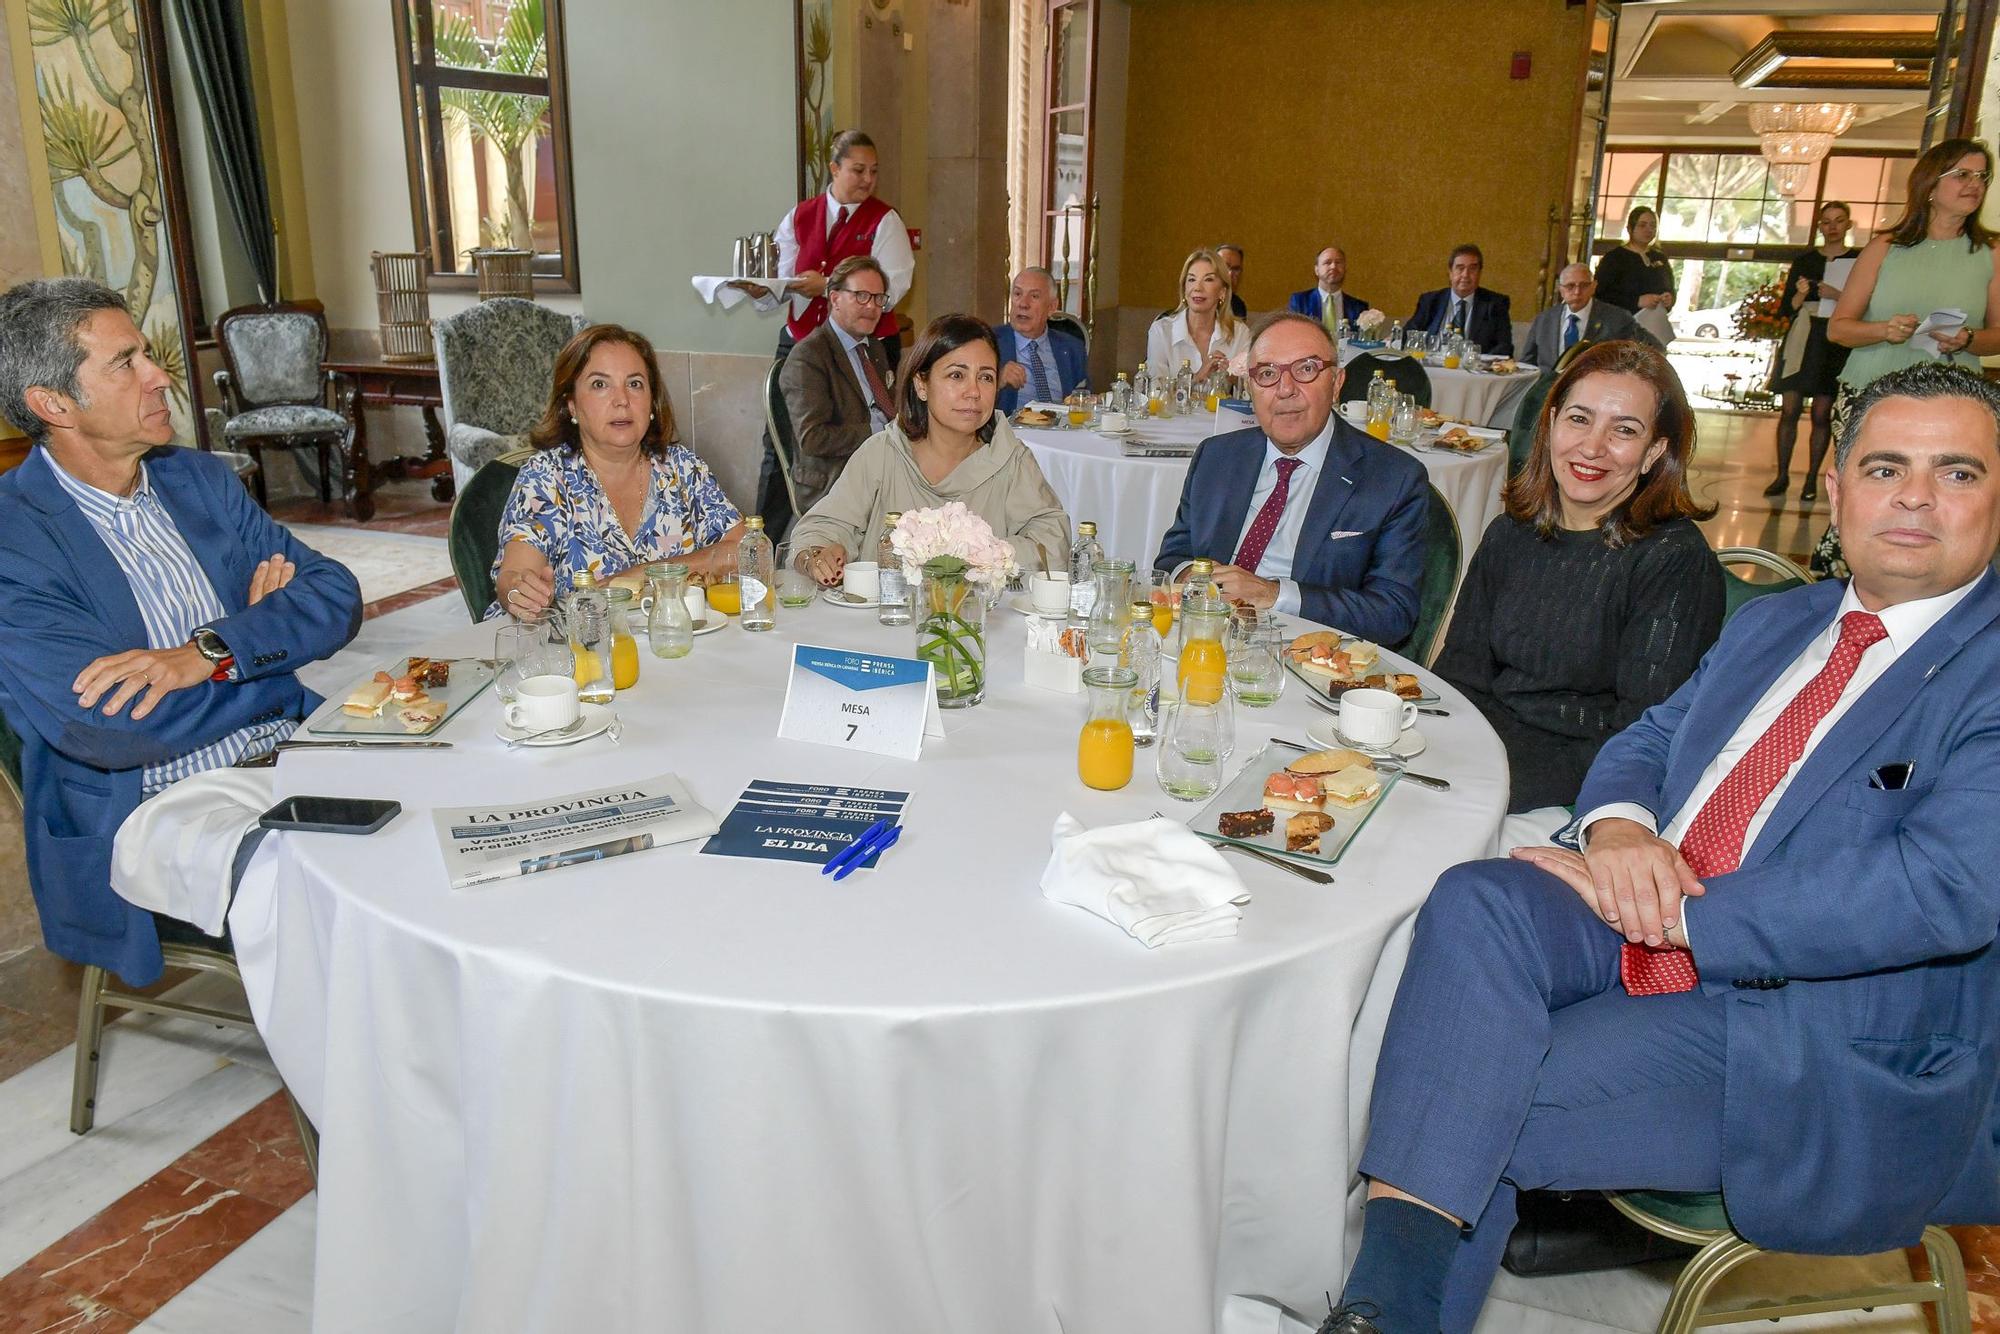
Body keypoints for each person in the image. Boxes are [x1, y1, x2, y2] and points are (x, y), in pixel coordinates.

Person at [1320, 360, 2000, 1334]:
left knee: (1475, 1086)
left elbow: (1941, 888)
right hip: (1648, 908)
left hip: (1815, 1019)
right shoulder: (1781, 619)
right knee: (1476, 898)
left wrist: (1681, 912)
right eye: (1885, 466)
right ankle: (1391, 1307)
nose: (1914, 498)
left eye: (1957, 472)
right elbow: (1646, 738)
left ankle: (1382, 1305)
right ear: (1836, 486)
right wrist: (1621, 829)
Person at [0, 277, 362, 986]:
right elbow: (111, 729)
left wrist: (210, 653)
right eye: (125, 363)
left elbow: (336, 595)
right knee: (350, 895)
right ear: (53, 405)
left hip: (292, 756)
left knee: (453, 818)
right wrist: (262, 660)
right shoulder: (15, 540)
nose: (158, 375)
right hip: (155, 809)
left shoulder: (197, 480)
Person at [1434, 340, 1721, 815]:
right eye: (1579, 418)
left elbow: (1643, 736)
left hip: (1580, 795)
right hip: (1476, 763)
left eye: (1624, 430)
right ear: (1550, 425)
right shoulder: (1511, 532)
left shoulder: (1673, 560)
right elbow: (1462, 675)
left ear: (1654, 452)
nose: (1592, 447)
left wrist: (1487, 787)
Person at [1154, 313, 1428, 644]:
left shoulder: (1392, 478)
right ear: (1250, 388)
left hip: (1307, 656)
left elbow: (1392, 613)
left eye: (1305, 369)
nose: (1285, 390)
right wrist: (1192, 579)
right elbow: (1172, 558)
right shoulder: (1216, 457)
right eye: (1267, 374)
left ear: (1337, 382)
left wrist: (1274, 595)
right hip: (1203, 642)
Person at [1814, 133, 2000, 564]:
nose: (1974, 183)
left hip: (1953, 398)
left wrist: (1968, 339)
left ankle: (1934, 575)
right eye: (1962, 175)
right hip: (1869, 386)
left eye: (1982, 176)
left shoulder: (1989, 251)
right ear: (1931, 186)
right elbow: (1839, 329)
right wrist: (1885, 330)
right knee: (1867, 491)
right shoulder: (1886, 246)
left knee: (1939, 493)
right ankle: (1844, 572)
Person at [789, 314, 1071, 585]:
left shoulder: (1009, 459)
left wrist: (980, 557)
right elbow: (823, 527)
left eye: (985, 377)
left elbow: (1051, 540)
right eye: (957, 375)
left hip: (977, 624)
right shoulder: (884, 453)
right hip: (887, 622)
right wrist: (819, 555)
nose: (973, 391)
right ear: (921, 384)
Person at [491, 324, 743, 620]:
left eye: (635, 384)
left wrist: (641, 575)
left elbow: (746, 550)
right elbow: (516, 575)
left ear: (652, 401)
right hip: (568, 652)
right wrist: (521, 591)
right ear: (571, 404)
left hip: (670, 645)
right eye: (600, 385)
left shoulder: (682, 468)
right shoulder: (546, 478)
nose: (622, 400)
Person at [771, 129, 914, 366]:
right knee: (785, 400)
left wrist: (827, 286)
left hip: (866, 347)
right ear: (834, 169)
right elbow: (782, 278)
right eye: (859, 170)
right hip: (802, 342)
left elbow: (891, 290)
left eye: (874, 171)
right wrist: (764, 291)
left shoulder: (885, 220)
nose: (868, 179)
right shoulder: (799, 216)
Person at [781, 256, 899, 513]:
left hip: (881, 468)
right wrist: (877, 430)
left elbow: (891, 408)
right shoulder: (809, 355)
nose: (872, 307)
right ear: (834, 299)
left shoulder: (875, 348)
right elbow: (813, 438)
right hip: (834, 481)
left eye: (879, 298)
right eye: (861, 296)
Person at [1765, 200, 1860, 498]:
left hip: (1833, 339)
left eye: (1838, 220)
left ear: (1848, 225)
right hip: (1803, 335)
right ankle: (1781, 475)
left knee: (1822, 413)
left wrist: (1838, 295)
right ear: (1819, 226)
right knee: (1789, 408)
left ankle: (1810, 480)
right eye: (1827, 221)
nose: (1832, 227)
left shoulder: (1858, 260)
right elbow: (1786, 309)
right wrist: (1799, 295)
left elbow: (1865, 305)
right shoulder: (1805, 260)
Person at [1516, 263, 1657, 369]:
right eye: (1570, 286)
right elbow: (1527, 364)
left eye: (1584, 285)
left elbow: (1654, 348)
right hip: (1547, 394)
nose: (1577, 292)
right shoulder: (1544, 320)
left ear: (1594, 286)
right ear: (1561, 289)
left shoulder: (1617, 318)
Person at [1146, 248, 1250, 384]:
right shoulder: (1161, 331)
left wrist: (1232, 379)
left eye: (1208, 279)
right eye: (1191, 279)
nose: (1198, 288)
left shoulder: (1240, 334)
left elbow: (1251, 392)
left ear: (1222, 292)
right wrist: (1198, 378)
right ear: (1184, 289)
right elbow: (1155, 393)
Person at [994, 266, 1088, 415]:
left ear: (1051, 307)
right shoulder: (990, 342)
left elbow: (1083, 399)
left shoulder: (1072, 347)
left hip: (1062, 431)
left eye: (1034, 296)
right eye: (1017, 294)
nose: (1023, 304)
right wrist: (997, 381)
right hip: (1011, 433)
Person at [1410, 244, 1513, 356]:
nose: (1465, 275)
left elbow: (1504, 347)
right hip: (1433, 369)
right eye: (1460, 268)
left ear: (1479, 273)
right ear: (1450, 272)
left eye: (1472, 269)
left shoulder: (1496, 304)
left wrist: (1478, 361)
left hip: (1474, 370)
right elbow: (1410, 335)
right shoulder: (1430, 301)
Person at [1592, 206, 1677, 319]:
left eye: (1653, 225)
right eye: (1642, 225)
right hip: (1621, 322)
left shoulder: (1660, 258)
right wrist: (1636, 301)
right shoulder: (1614, 258)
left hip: (1654, 322)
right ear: (1630, 228)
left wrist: (1669, 298)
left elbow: (1670, 287)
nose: (1648, 229)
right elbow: (1601, 294)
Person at [1288, 245, 1370, 334]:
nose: (1333, 266)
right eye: (1327, 262)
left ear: (1345, 269)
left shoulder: (1359, 307)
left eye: (1338, 262)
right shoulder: (1300, 301)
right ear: (1317, 270)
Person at [1216, 242, 1250, 320]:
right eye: (1225, 266)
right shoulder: (1200, 300)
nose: (1230, 274)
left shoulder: (1238, 305)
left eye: (1236, 269)